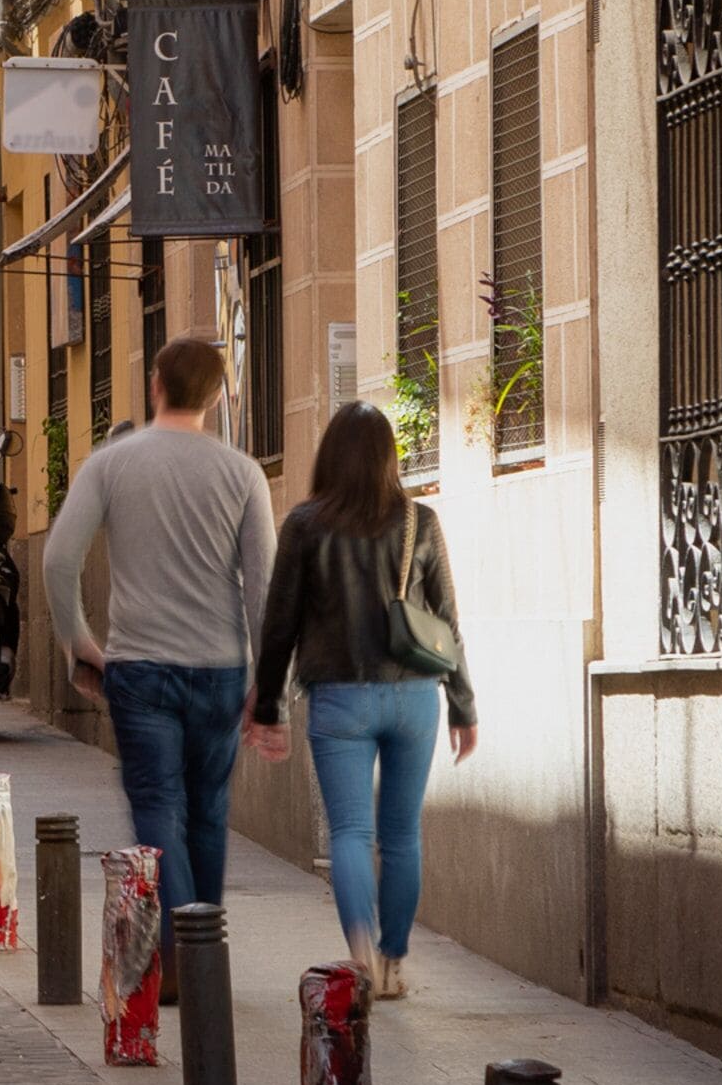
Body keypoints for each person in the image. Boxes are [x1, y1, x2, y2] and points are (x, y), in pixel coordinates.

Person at [245, 400, 477, 997]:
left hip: (339, 700)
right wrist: (464, 707)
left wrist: (267, 705)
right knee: (401, 835)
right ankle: (395, 962)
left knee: (349, 831)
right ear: (388, 459)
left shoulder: (304, 524)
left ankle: (360, 952)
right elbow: (447, 621)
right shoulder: (419, 522)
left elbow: (279, 624)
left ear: (329, 457)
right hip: (413, 699)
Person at [40, 335, 275, 917]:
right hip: (221, 670)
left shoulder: (109, 464)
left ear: (155, 385)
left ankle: (172, 956)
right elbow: (264, 588)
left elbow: (58, 560)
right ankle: (204, 960)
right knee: (209, 810)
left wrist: (79, 643)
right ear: (218, 398)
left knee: (157, 805)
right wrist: (269, 692)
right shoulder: (244, 475)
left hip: (140, 670)